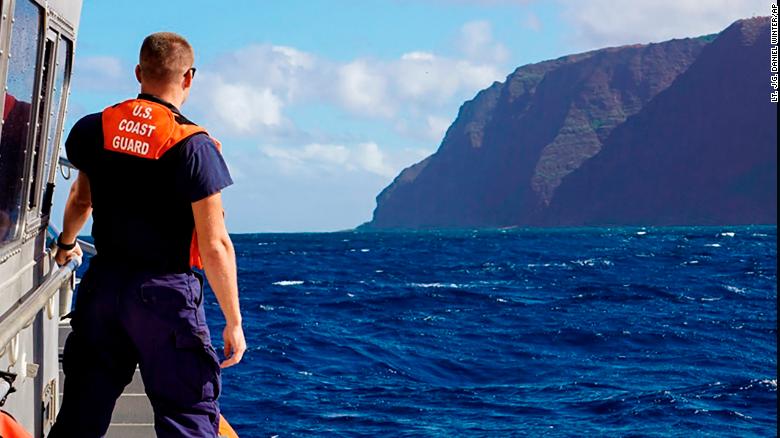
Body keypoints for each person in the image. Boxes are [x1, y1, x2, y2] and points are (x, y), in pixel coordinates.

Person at [49, 32, 246, 438]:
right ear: (188, 78)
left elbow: (80, 200)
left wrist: (66, 244)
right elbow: (215, 243)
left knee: (81, 414)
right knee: (186, 414)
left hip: (103, 288)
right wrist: (234, 321)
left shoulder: (95, 128)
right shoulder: (193, 145)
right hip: (166, 295)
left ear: (138, 72)